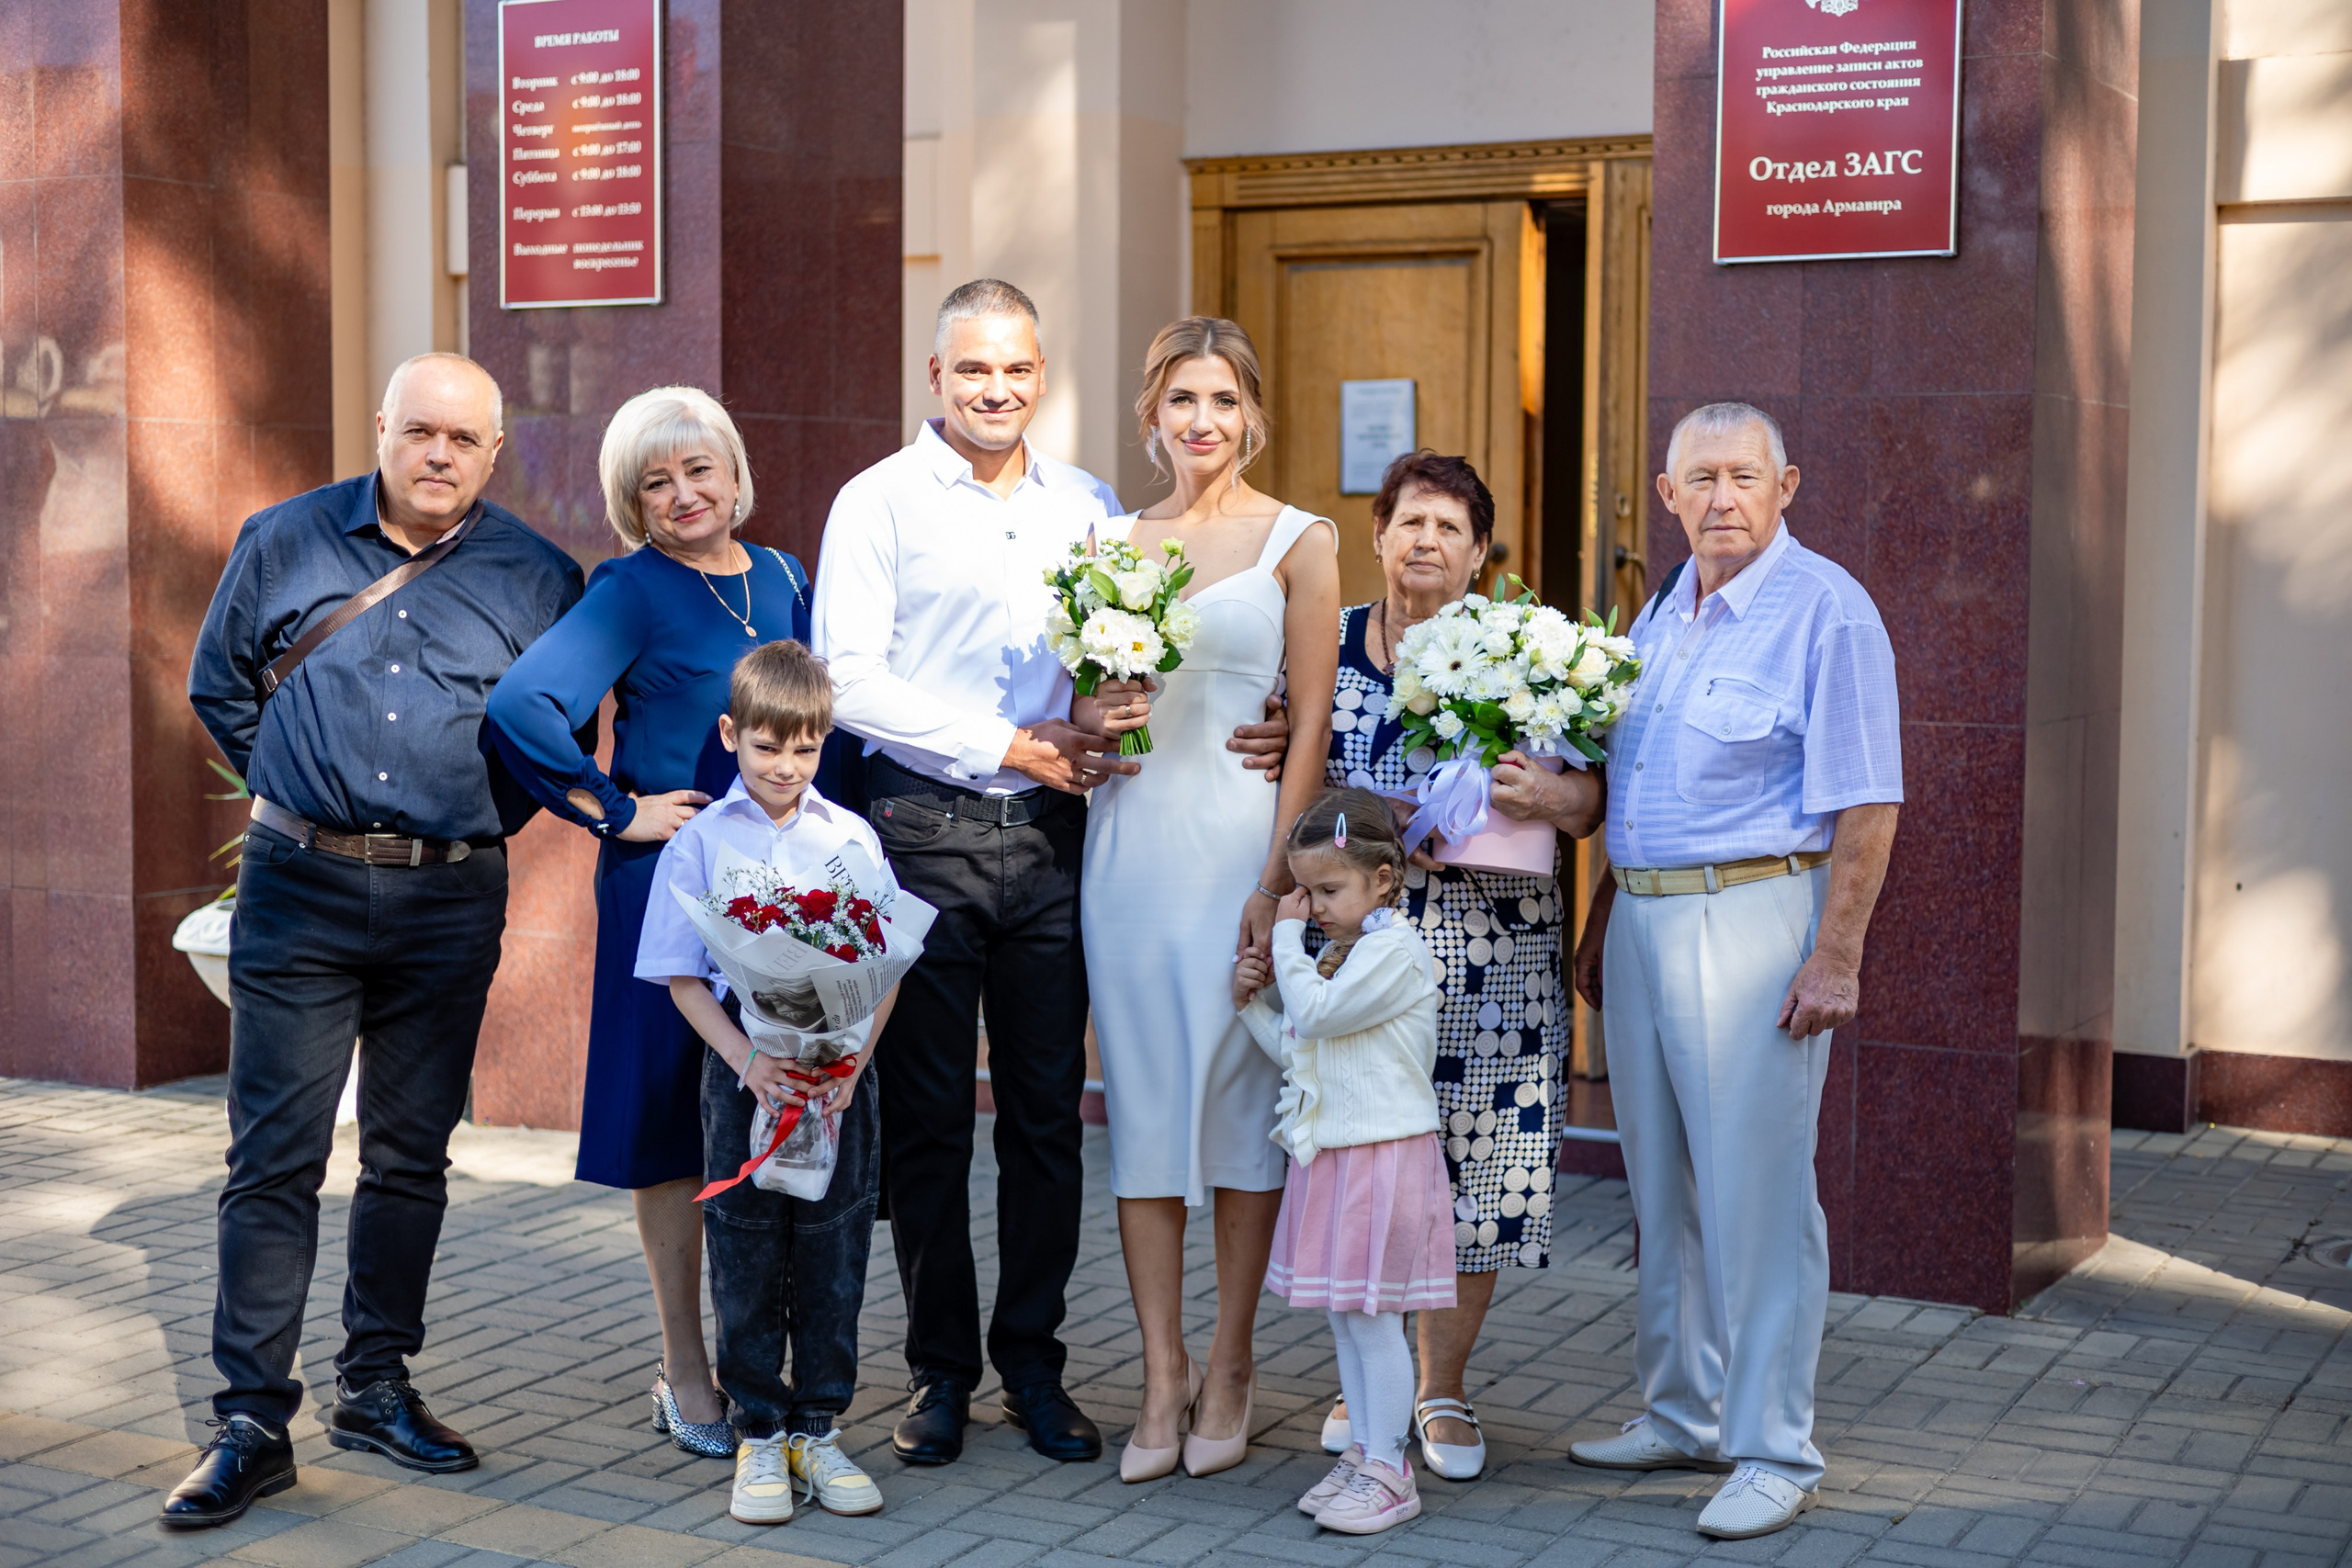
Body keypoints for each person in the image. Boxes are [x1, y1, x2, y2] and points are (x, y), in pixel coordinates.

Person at [808, 279, 1290, 1466]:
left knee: (1043, 1119)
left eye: (1017, 370)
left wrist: (1262, 706)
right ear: (936, 377)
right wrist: (1005, 742)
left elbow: (1152, 654)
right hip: (918, 827)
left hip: (1061, 836)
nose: (996, 389)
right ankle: (938, 1370)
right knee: (927, 1119)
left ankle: (1033, 1362)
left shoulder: (1089, 507)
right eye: (974, 369)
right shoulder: (878, 503)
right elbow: (847, 676)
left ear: (1042, 376)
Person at [172, 354, 583, 1526]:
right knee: (274, 1158)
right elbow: (222, 688)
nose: (440, 455)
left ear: (495, 454)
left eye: (464, 439)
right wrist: (308, 793)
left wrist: (453, 825)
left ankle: (374, 1383)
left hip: (447, 902)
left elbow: (552, 737)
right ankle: (252, 1418)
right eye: (420, 432)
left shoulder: (539, 576)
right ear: (383, 431)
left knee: (411, 1157)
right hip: (300, 887)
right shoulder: (285, 539)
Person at [488, 386, 844, 1461]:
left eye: (700, 470)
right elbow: (521, 706)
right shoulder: (629, 590)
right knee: (671, 1133)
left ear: (735, 473)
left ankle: (769, 1361)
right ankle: (684, 1367)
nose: (685, 494)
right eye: (657, 480)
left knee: (774, 1112)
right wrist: (612, 809)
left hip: (787, 893)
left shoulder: (785, 577)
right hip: (668, 891)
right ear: (632, 503)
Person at [1566, 401, 1901, 1541]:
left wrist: (1837, 957)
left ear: (1786, 485)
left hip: (1753, 921)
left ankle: (1771, 1446)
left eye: (1743, 477)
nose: (1721, 499)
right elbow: (1645, 786)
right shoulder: (1661, 611)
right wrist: (1606, 915)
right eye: (1699, 480)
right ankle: (1681, 1410)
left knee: (1756, 1201)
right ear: (1667, 498)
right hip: (1649, 923)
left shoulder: (1827, 610)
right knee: (1661, 1190)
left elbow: (1868, 798)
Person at [1080, 316, 1338, 1482]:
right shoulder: (1106, 542)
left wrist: (1276, 879)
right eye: (1181, 400)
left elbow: (1314, 723)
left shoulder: (1302, 538)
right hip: (1129, 855)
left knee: (1239, 1114)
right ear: (1151, 417)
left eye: (1223, 401)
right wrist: (1094, 719)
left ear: (1251, 415)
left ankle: (1233, 1364)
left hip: (1238, 852)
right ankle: (1160, 1370)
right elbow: (1083, 708)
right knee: (1142, 1111)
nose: (1202, 422)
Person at [1316, 452, 1603, 1480]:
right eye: (1409, 521)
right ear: (1379, 534)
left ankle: (1441, 1388)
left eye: (1449, 526)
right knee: (1367, 1167)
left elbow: (1589, 804)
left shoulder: (1530, 648)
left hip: (1499, 954)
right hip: (1363, 952)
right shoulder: (1332, 643)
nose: (1426, 540)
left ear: (1481, 553)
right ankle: (1371, 1381)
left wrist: (1546, 800)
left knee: (1479, 1171)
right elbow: (1293, 773)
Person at [634, 640, 897, 1527]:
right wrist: (750, 1060)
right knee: (745, 1245)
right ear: (731, 735)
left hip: (836, 1079)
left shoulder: (850, 837)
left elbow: (887, 962)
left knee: (834, 1246)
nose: (786, 767)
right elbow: (679, 977)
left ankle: (818, 1426)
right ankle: (757, 1431)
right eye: (766, 748)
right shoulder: (702, 842)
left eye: (805, 749)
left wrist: (852, 1064)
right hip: (742, 1076)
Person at [1234, 788, 1451, 1536]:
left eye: (1328, 889)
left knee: (1372, 1316)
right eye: (1305, 890)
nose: (1313, 905)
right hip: (1332, 1156)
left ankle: (1392, 1469)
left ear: (1383, 879)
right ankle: (1365, 1450)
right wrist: (1252, 1009)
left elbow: (1322, 1014)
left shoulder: (1395, 952)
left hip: (1383, 1158)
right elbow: (1306, 1053)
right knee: (1344, 1315)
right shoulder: (1338, 958)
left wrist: (1286, 947)